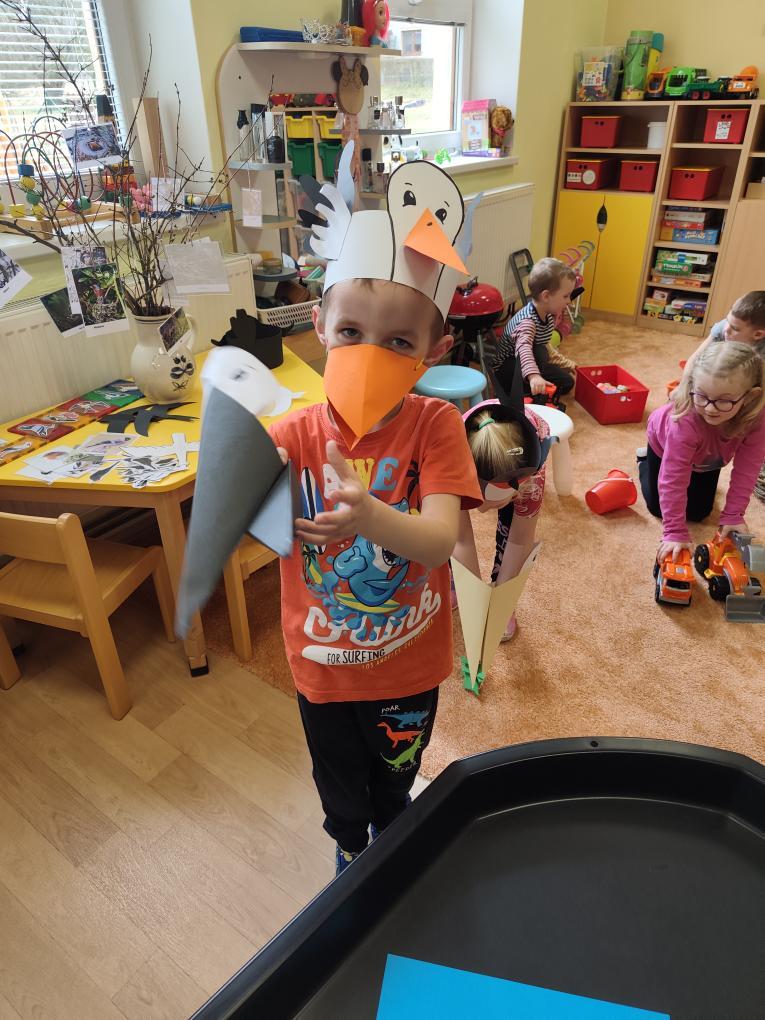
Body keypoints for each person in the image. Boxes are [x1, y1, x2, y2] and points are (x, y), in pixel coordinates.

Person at [269, 154, 483, 876]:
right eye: (351, 331)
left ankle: (391, 847)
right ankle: (350, 851)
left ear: (434, 352)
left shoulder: (436, 427)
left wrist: (367, 519)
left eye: (398, 342)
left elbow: (437, 543)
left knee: (396, 779)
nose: (371, 353)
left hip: (407, 661)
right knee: (339, 788)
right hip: (323, 664)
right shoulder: (289, 436)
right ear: (319, 327)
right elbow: (247, 523)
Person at [638, 341, 765, 565]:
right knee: (658, 508)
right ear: (692, 386)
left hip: (709, 459)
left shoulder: (756, 419)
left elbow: (748, 469)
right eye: (702, 396)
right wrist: (675, 531)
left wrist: (734, 513)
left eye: (724, 400)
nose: (710, 408)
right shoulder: (685, 420)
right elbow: (673, 479)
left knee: (699, 512)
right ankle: (644, 461)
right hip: (663, 445)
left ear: (750, 396)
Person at [453, 399, 550, 641]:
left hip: (524, 449)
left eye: (495, 504)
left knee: (509, 534)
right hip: (465, 457)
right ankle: (454, 582)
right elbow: (460, 539)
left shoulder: (531, 482)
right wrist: (473, 596)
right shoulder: (451, 467)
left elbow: (520, 540)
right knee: (443, 529)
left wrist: (501, 602)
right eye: (480, 502)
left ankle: (500, 591)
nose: (483, 511)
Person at [494, 257, 577, 402]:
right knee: (539, 352)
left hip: (528, 363)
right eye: (565, 296)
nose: (569, 301)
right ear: (546, 296)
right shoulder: (527, 321)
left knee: (566, 382)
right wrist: (534, 376)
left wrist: (566, 363)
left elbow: (546, 344)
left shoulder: (548, 314)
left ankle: (534, 382)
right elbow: (524, 348)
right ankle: (525, 387)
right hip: (507, 370)